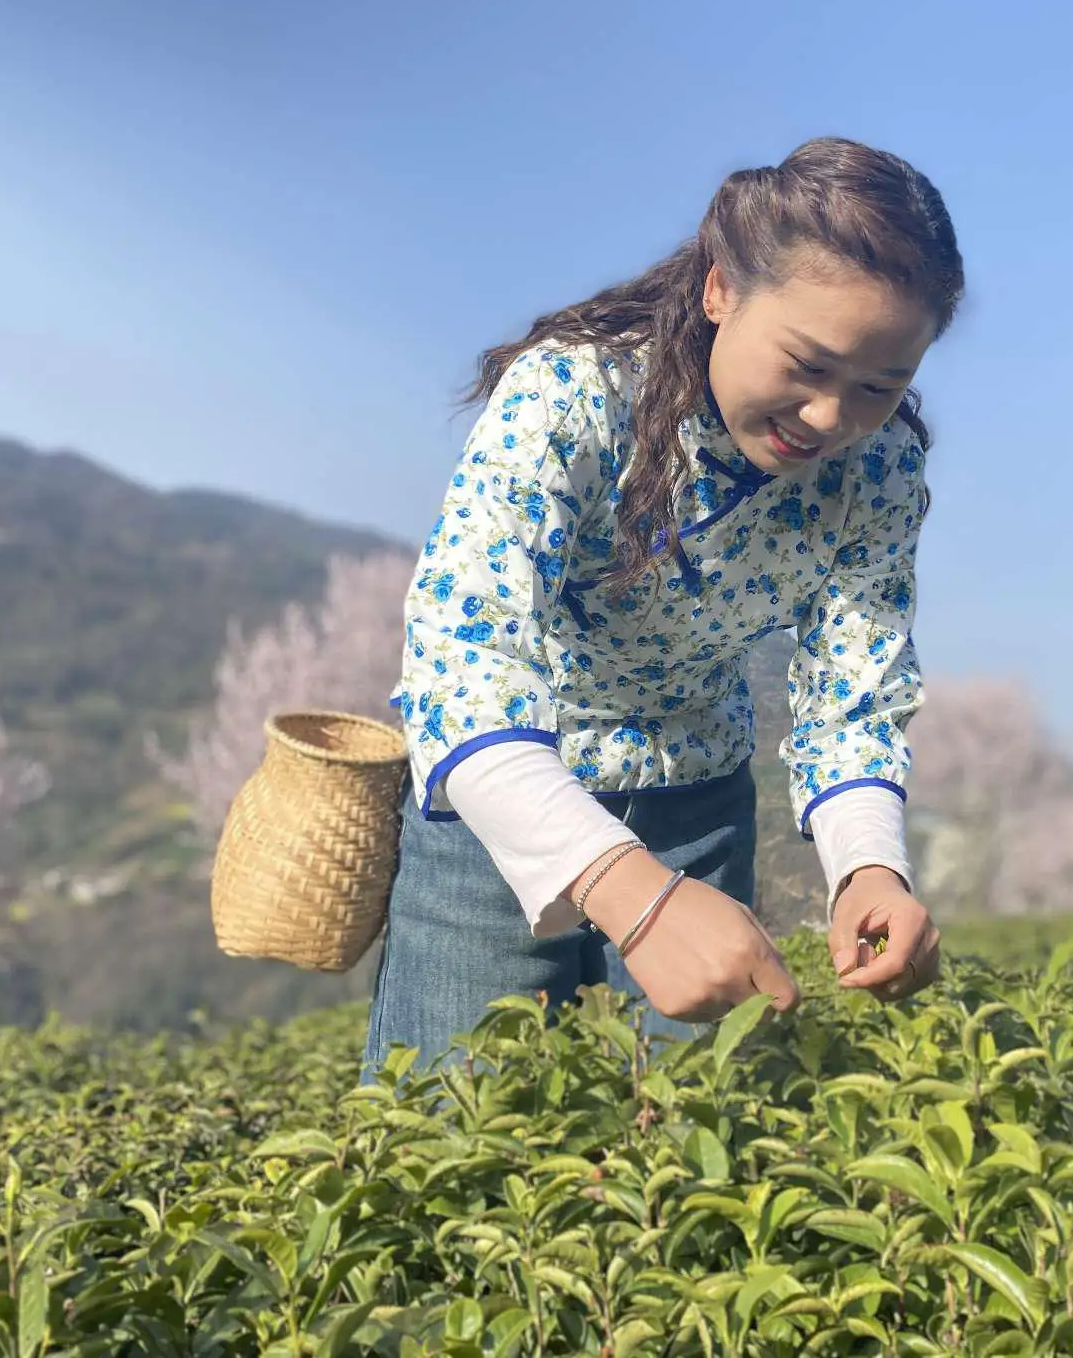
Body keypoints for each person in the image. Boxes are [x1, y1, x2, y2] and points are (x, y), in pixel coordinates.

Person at [361, 138, 963, 1083]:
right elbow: (461, 661)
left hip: (698, 808)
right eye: (806, 364)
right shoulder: (575, 396)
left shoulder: (878, 471)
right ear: (721, 290)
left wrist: (869, 868)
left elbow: (855, 689)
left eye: (878, 389)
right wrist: (634, 898)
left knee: (691, 1140)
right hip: (505, 803)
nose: (827, 418)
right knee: (446, 1126)